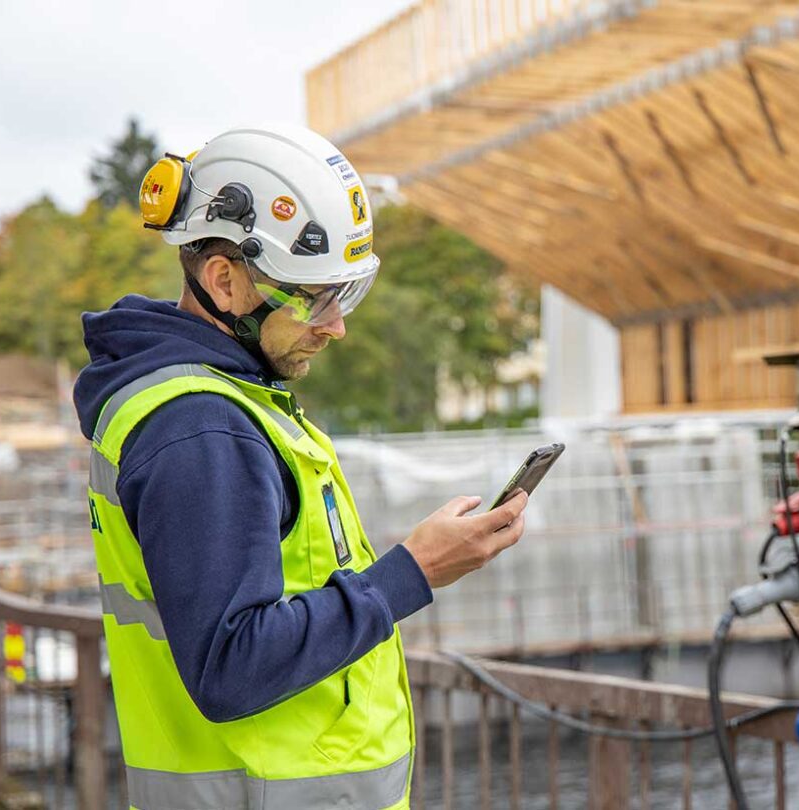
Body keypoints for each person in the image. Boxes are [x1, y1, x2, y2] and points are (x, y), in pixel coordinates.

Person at [73, 123, 529, 810]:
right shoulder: (201, 429)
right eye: (315, 298)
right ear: (225, 281)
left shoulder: (225, 406)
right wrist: (415, 572)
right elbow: (232, 666)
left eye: (345, 296)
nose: (336, 325)